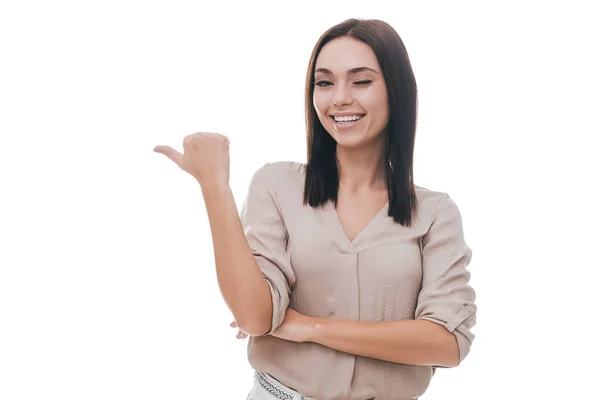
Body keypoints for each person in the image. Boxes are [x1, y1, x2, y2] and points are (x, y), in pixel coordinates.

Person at [154, 18, 476, 400]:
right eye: (324, 82)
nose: (339, 98)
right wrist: (214, 186)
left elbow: (447, 342)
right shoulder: (277, 185)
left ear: (396, 91)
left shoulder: (435, 212)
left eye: (361, 81)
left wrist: (309, 328)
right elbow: (255, 316)